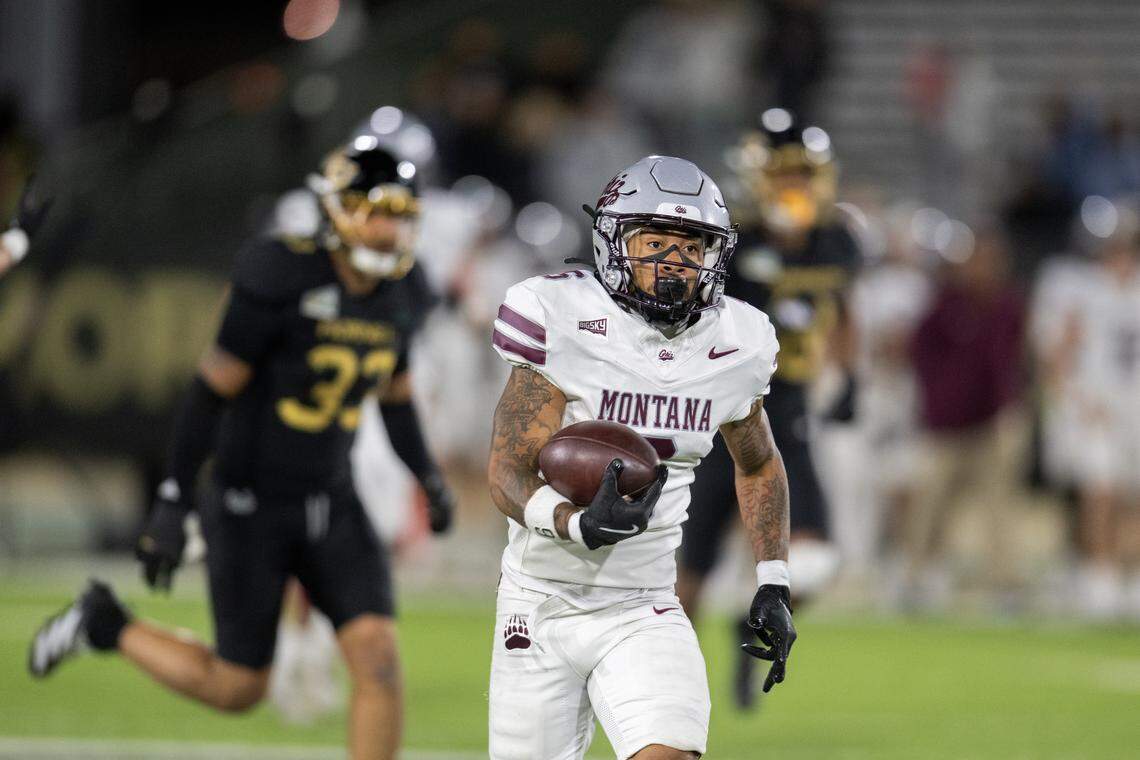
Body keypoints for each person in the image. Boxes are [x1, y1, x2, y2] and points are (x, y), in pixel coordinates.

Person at [28, 138, 453, 760]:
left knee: (379, 661)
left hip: (333, 497)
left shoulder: (405, 290)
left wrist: (428, 477)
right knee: (237, 687)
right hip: (251, 502)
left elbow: (395, 397)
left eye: (400, 215)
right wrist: (173, 500)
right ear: (336, 210)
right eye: (375, 211)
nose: (388, 230)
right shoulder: (281, 274)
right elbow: (209, 393)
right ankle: (104, 623)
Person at [486, 155, 795, 759]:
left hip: (646, 602)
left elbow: (759, 462)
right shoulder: (560, 316)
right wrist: (575, 523)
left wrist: (773, 582)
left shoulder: (739, 343)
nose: (674, 261)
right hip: (539, 601)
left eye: (691, 246)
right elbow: (507, 470)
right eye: (655, 243)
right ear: (614, 243)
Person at [679, 108, 858, 707]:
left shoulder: (837, 241)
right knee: (689, 571)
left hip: (791, 410)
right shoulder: (730, 243)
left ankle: (750, 618)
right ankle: (667, 683)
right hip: (723, 411)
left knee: (816, 557)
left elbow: (843, 309)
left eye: (803, 174)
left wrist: (849, 374)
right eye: (784, 175)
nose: (795, 187)